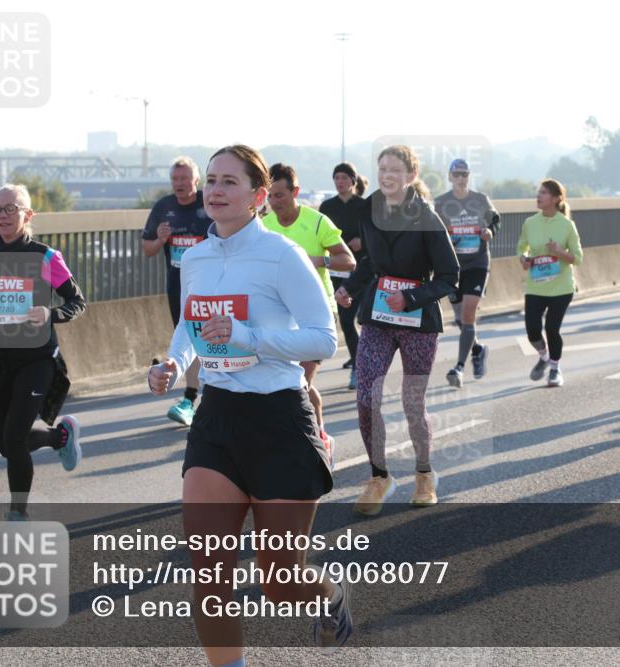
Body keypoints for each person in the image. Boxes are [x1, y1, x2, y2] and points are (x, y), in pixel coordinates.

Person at [148, 145, 351, 663]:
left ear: (259, 196)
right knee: (208, 572)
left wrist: (249, 338)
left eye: (229, 182)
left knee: (280, 580)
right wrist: (173, 363)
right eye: (211, 180)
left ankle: (328, 597)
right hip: (217, 419)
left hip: (278, 418)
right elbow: (191, 327)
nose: (215, 190)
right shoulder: (194, 258)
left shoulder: (282, 255)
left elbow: (323, 340)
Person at [335, 145, 459, 515]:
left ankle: (424, 473)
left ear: (410, 176)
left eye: (394, 169)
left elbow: (450, 277)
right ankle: (379, 476)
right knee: (365, 396)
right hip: (378, 317)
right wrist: (349, 287)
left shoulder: (427, 217)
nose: (386, 174)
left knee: (411, 404)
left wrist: (412, 296)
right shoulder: (369, 212)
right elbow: (370, 261)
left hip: (417, 321)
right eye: (382, 168)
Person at [0, 184, 85, 520]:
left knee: (14, 438)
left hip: (36, 358)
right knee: (6, 445)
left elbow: (77, 302)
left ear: (28, 215)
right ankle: (60, 437)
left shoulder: (45, 257)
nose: (2, 215)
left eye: (11, 208)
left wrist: (49, 313)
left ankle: (18, 513)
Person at [262, 163, 356, 446]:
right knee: (294, 383)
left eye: (280, 195)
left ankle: (314, 440)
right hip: (280, 315)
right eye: (270, 196)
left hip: (317, 313)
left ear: (296, 192)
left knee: (300, 381)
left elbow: (348, 261)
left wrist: (317, 260)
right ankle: (319, 436)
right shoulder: (264, 226)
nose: (274, 202)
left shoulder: (317, 222)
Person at [142, 157, 212, 426]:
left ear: (196, 180)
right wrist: (160, 239)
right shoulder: (164, 207)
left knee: (215, 336)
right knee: (192, 338)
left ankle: (204, 395)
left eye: (185, 179)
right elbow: (147, 250)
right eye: (175, 179)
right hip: (179, 286)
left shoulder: (209, 202)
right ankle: (190, 398)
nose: (180, 184)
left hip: (214, 284)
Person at [433, 158, 500, 388]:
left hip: (477, 263)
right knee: (461, 319)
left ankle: (459, 367)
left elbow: (495, 220)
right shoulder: (441, 202)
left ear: (469, 176)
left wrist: (489, 231)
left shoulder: (480, 200)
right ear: (450, 177)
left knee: (468, 315)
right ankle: (478, 349)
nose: (461, 178)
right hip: (453, 266)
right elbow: (434, 231)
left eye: (465, 174)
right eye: (457, 174)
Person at [517, 179, 584, 388]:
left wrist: (559, 252)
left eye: (544, 193)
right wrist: (524, 258)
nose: (539, 196)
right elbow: (522, 246)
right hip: (536, 285)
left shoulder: (566, 225)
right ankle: (544, 357)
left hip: (561, 287)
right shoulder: (530, 223)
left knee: (552, 329)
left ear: (556, 199)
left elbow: (578, 257)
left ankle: (555, 369)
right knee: (532, 331)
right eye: (539, 192)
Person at [319, 162, 368, 391]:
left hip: (360, 271)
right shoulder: (327, 206)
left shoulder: (364, 205)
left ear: (353, 180)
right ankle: (359, 362)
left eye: (344, 178)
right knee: (346, 321)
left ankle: (360, 367)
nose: (340, 182)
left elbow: (377, 234)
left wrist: (362, 241)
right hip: (335, 271)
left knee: (354, 320)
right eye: (336, 177)